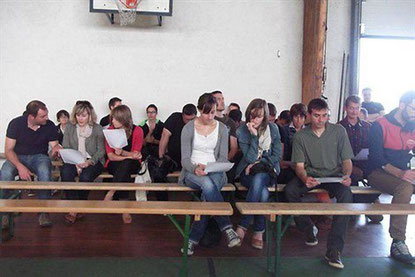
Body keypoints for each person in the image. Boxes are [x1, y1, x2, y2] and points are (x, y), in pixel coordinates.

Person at [284, 98, 353, 269]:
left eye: (324, 115)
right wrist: (304, 178)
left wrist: (347, 175)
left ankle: (334, 250)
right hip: (312, 174)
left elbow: (347, 160)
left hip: (334, 175)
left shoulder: (339, 131)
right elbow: (299, 167)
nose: (321, 119)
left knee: (347, 195)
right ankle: (308, 228)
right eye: (316, 116)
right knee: (289, 191)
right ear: (309, 115)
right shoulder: (301, 136)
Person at [179, 93, 240, 255]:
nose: (210, 116)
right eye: (206, 112)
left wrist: (210, 167)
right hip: (193, 171)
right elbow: (184, 159)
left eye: (213, 112)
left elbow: (222, 157)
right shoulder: (188, 128)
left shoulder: (221, 128)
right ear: (199, 110)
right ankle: (227, 228)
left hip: (215, 171)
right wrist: (195, 169)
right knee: (207, 185)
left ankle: (191, 241)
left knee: (208, 190)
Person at [367, 91, 415, 265]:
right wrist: (402, 174)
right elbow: (377, 159)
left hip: (404, 172)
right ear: (402, 105)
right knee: (405, 187)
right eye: (413, 108)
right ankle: (398, 241)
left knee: (406, 183)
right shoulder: (380, 125)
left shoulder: (413, 125)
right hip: (378, 172)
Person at [1, 100, 61, 227]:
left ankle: (43, 212)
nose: (47, 118)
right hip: (18, 156)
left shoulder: (49, 125)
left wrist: (56, 149)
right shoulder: (16, 124)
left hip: (39, 156)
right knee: (5, 173)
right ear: (31, 116)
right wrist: (19, 166)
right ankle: (5, 213)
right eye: (42, 116)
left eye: (46, 114)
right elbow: (8, 150)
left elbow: (54, 145)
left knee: (45, 171)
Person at [235, 99, 282, 249]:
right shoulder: (242, 130)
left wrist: (259, 163)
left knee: (260, 178)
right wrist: (254, 137)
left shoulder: (273, 129)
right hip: (247, 172)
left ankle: (242, 226)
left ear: (265, 116)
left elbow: (276, 156)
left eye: (259, 116)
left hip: (268, 171)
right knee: (262, 193)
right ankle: (258, 231)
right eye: (252, 116)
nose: (254, 120)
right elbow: (248, 158)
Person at [338, 96, 382, 222]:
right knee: (351, 178)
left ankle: (369, 202)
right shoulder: (338, 127)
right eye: (351, 108)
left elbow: (374, 147)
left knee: (380, 178)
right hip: (345, 164)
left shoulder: (368, 126)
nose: (354, 111)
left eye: (357, 108)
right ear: (346, 108)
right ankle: (363, 207)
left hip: (366, 162)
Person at [60, 101, 105, 224]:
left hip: (93, 160)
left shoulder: (97, 128)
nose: (80, 118)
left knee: (85, 176)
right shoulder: (70, 127)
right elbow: (66, 146)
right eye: (78, 115)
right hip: (72, 159)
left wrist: (89, 162)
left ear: (90, 116)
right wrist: (75, 162)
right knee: (66, 173)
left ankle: (79, 205)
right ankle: (75, 207)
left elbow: (101, 151)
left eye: (84, 115)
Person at [104, 105, 143, 224]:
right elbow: (111, 156)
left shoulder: (137, 130)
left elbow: (136, 155)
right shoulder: (110, 131)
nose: (112, 121)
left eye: (115, 119)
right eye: (112, 118)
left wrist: (124, 153)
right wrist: (128, 156)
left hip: (133, 164)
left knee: (126, 165)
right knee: (124, 167)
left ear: (123, 119)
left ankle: (111, 192)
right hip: (115, 162)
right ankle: (125, 208)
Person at [159, 104, 197, 169]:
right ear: (182, 115)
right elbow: (164, 137)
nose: (189, 122)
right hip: (174, 158)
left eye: (191, 120)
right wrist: (161, 158)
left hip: (191, 159)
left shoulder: (199, 123)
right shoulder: (174, 118)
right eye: (186, 119)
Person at [278, 103, 307, 184]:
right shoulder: (284, 130)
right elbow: (281, 159)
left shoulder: (309, 131)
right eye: (296, 117)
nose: (298, 120)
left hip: (306, 167)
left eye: (301, 117)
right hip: (288, 167)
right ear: (291, 117)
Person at [211, 91, 238, 162]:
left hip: (226, 160)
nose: (222, 102)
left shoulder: (230, 122)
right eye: (218, 99)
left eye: (222, 99)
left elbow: (234, 147)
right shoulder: (209, 120)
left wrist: (224, 161)